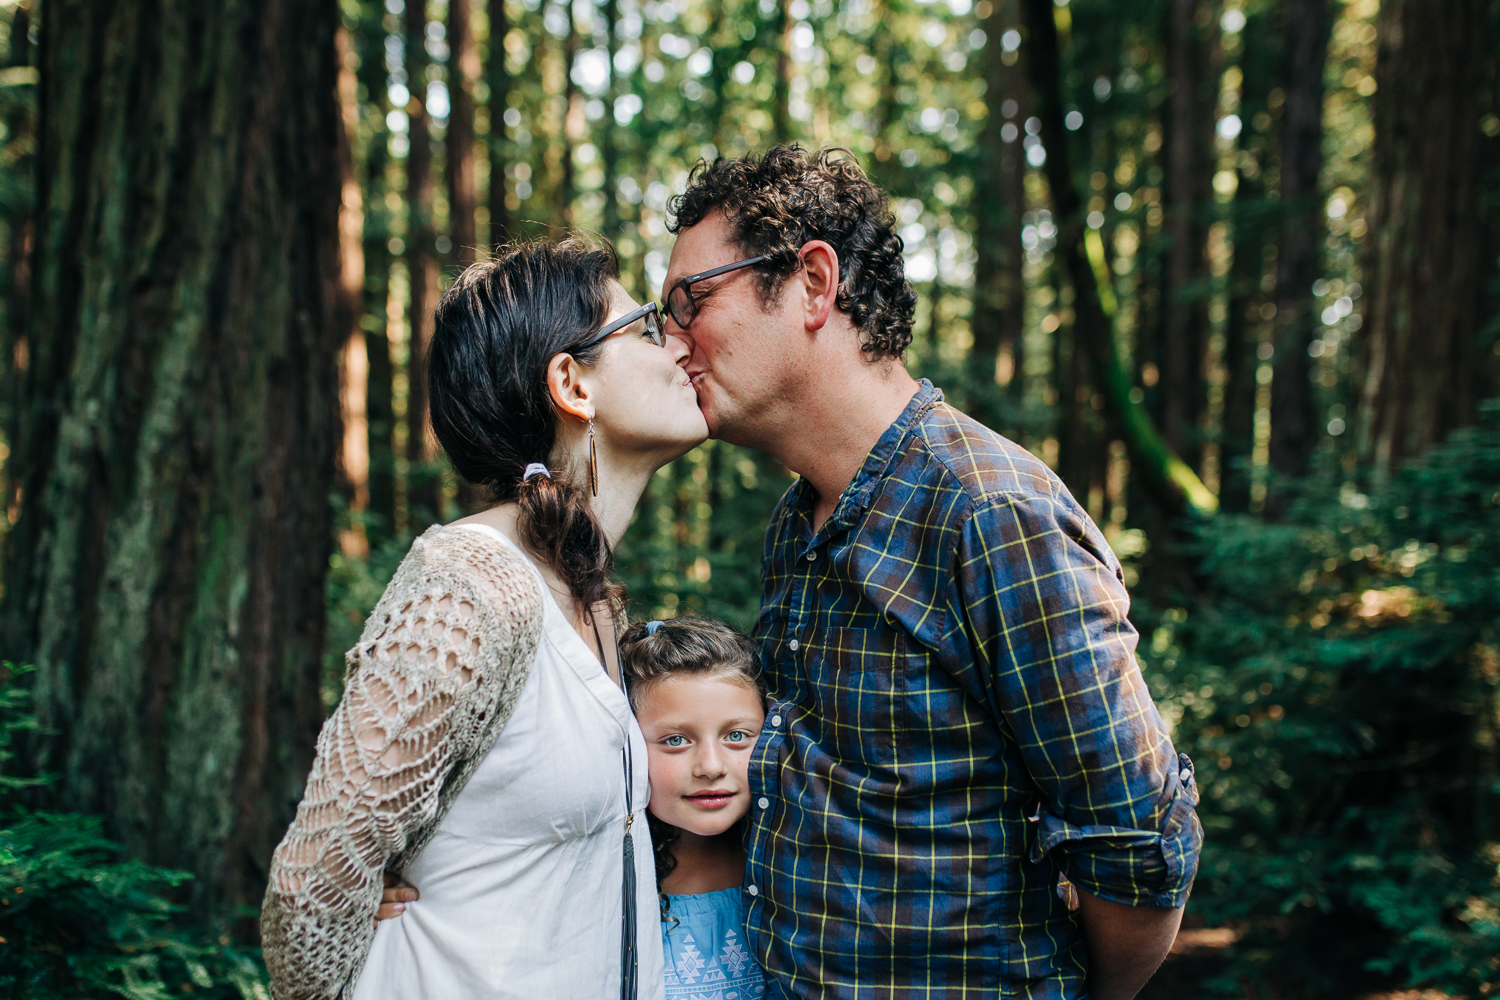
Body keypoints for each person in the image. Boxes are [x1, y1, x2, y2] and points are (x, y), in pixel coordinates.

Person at [658, 145, 1204, 1000]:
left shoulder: (990, 513)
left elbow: (1135, 844)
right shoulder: (795, 524)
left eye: (691, 298)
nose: (672, 338)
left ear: (812, 281)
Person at [260, 238, 705, 1000]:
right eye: (648, 328)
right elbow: (309, 893)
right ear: (572, 383)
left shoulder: (589, 594)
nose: (679, 348)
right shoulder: (466, 589)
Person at [618, 616, 771, 1000]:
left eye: (736, 736)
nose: (711, 767)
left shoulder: (789, 866)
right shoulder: (613, 879)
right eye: (675, 740)